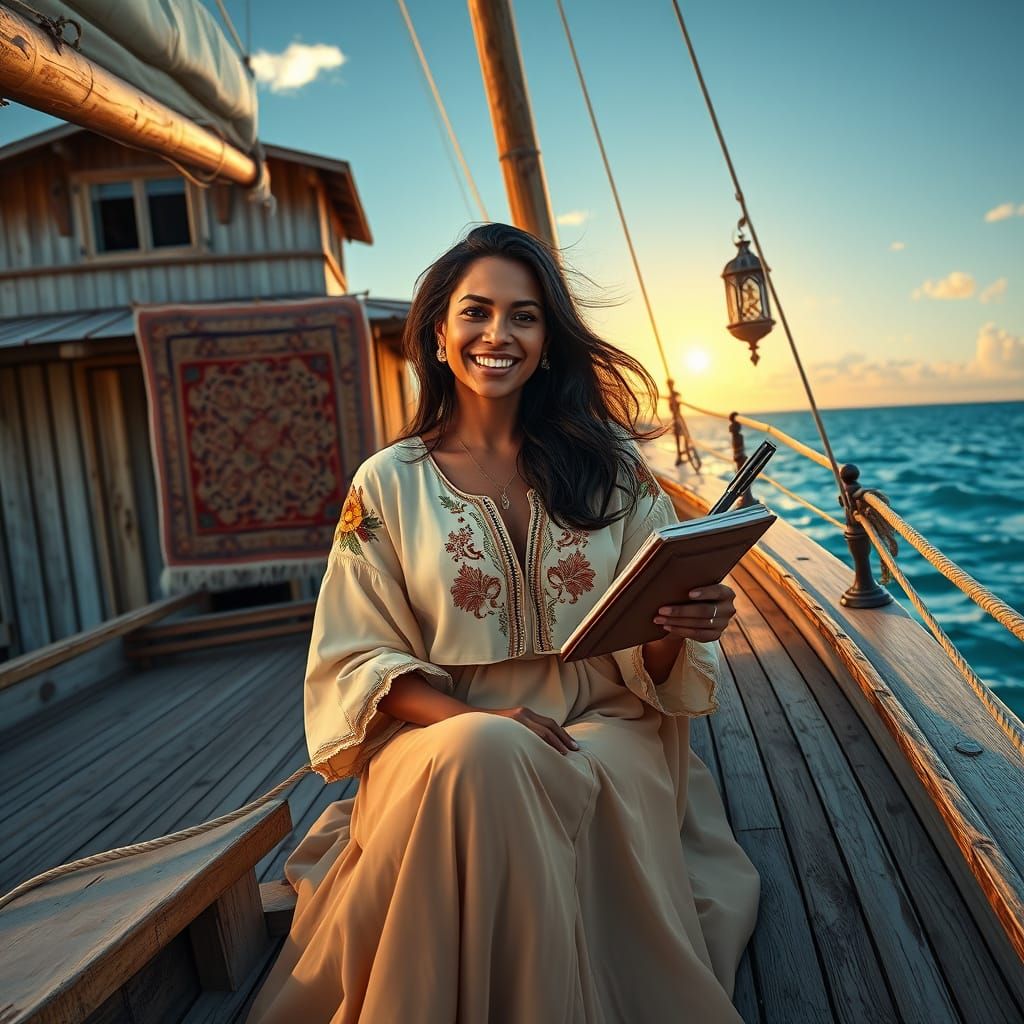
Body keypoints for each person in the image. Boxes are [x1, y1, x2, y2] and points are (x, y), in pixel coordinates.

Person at [245, 223, 760, 1024]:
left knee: (520, 758)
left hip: (601, 725)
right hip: (438, 732)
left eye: (524, 316)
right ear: (440, 335)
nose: (499, 334)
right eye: (476, 312)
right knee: (481, 752)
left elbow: (654, 668)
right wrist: (476, 719)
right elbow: (355, 659)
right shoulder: (387, 484)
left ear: (548, 340)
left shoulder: (614, 472)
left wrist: (684, 620)